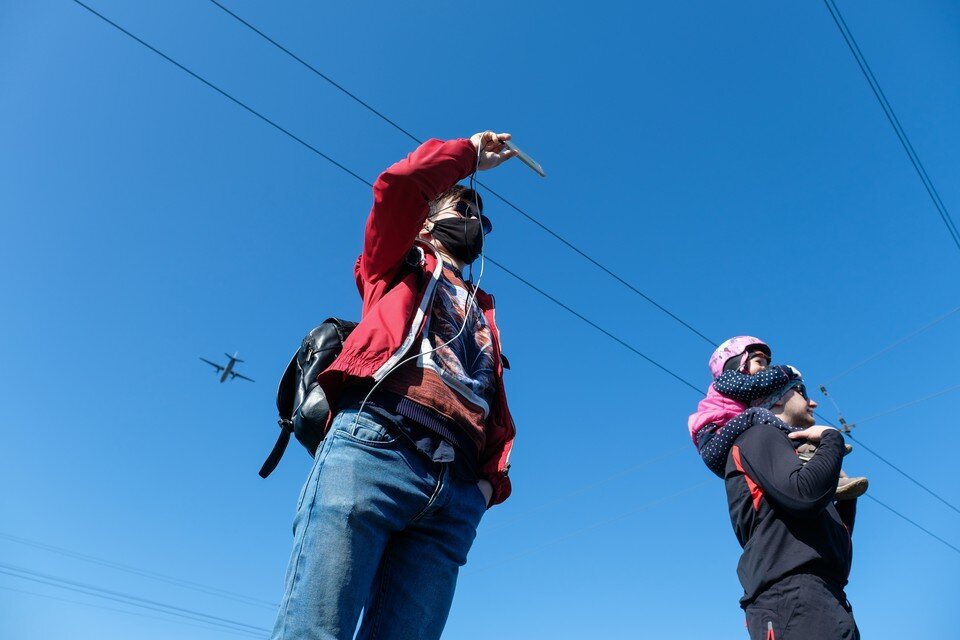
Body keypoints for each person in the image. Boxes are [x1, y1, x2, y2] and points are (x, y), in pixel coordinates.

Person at [270, 132, 518, 640]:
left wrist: (486, 487)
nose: (474, 219)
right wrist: (467, 155)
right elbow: (400, 184)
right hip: (375, 449)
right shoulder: (394, 264)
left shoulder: (484, 309)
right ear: (428, 218)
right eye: (462, 204)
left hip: (455, 492)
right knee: (317, 632)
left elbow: (492, 404)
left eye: (481, 217)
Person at [723, 377, 860, 639]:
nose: (812, 401)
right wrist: (832, 438)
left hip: (829, 597)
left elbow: (835, 545)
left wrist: (845, 498)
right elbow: (804, 496)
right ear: (776, 397)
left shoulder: (792, 459)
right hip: (792, 597)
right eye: (801, 391)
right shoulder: (758, 435)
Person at [689, 336, 867, 499]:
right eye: (759, 362)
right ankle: (802, 441)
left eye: (767, 364)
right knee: (755, 416)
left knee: (761, 427)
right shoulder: (726, 380)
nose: (764, 369)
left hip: (725, 450)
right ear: (737, 364)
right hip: (713, 441)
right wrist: (785, 372)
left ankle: (823, 473)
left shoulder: (741, 396)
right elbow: (755, 385)